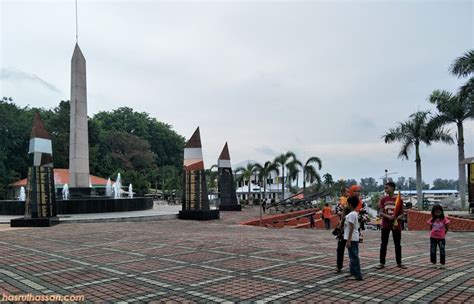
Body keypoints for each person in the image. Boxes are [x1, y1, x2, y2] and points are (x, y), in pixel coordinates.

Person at [376, 182, 407, 269]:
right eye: (385, 188)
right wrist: (388, 216)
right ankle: (382, 263)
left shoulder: (399, 199)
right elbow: (381, 212)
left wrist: (396, 218)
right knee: (383, 244)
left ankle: (399, 262)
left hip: (396, 225)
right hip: (385, 224)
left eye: (387, 188)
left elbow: (402, 213)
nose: (385, 190)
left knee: (397, 244)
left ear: (393, 188)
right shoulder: (383, 199)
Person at [344, 196, 363, 280]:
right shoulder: (354, 213)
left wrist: (348, 240)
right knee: (352, 256)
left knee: (354, 257)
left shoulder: (351, 215)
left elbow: (351, 228)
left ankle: (358, 275)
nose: (346, 205)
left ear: (350, 205)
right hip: (354, 237)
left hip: (352, 238)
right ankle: (352, 272)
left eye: (347, 203)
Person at [428, 205, 449, 269]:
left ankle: (442, 264)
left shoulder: (444, 219)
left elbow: (447, 228)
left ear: (441, 212)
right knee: (433, 250)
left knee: (442, 250)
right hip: (433, 237)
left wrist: (443, 233)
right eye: (435, 212)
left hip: (441, 238)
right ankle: (433, 263)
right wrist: (432, 232)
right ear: (433, 212)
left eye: (438, 212)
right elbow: (430, 227)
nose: (437, 214)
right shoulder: (432, 219)